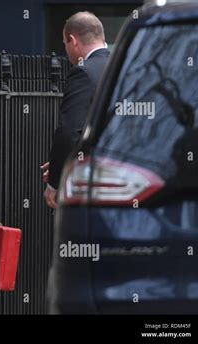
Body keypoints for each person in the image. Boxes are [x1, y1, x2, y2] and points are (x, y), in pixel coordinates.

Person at [43, 11, 110, 208]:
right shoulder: (125, 67)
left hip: (90, 182)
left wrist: (55, 181)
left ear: (73, 40)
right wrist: (60, 163)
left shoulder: (83, 72)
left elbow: (70, 132)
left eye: (65, 43)